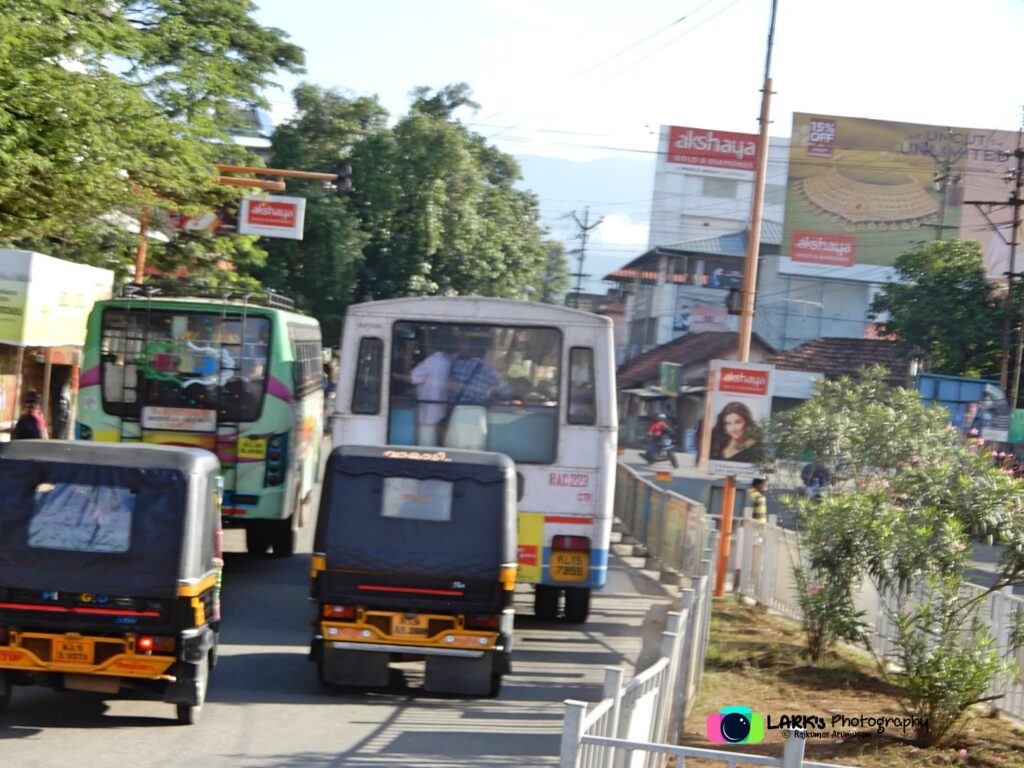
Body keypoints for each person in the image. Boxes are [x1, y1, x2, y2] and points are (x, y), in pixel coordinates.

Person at [409, 330, 453, 446]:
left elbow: (411, 378)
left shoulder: (431, 361)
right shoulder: (446, 360)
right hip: (439, 411)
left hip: (428, 413)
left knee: (426, 447)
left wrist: (407, 353)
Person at [448, 335, 512, 405]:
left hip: (454, 411)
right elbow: (507, 392)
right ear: (487, 352)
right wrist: (493, 391)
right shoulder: (489, 373)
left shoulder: (456, 365)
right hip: (476, 412)